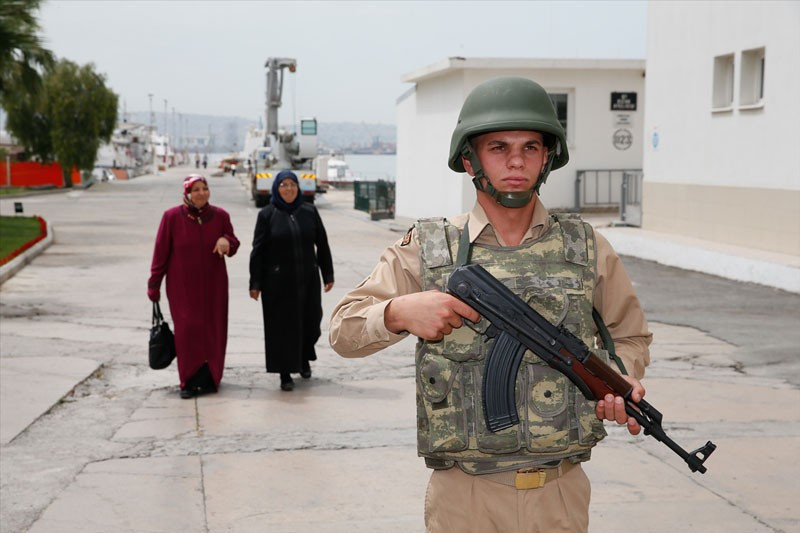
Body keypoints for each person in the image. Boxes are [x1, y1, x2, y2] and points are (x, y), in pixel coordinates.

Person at [329, 77, 652, 532]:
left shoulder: (586, 247)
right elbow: (343, 330)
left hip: (559, 495)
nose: (516, 161)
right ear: (470, 159)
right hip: (465, 497)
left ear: (546, 157)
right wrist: (398, 313)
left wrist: (618, 378)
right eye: (498, 147)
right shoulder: (429, 248)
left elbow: (629, 335)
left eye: (530, 147)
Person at [148, 174, 240, 399]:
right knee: (187, 331)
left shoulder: (220, 216)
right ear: (187, 193)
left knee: (214, 330)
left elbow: (234, 243)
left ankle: (211, 378)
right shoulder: (172, 217)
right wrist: (154, 284)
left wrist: (226, 241)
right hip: (183, 288)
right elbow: (160, 253)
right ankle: (188, 381)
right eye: (195, 189)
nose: (201, 193)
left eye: (204, 188)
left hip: (215, 286)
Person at [249, 170, 334, 391]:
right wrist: (255, 283)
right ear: (276, 188)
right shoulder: (267, 215)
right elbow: (258, 250)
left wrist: (327, 274)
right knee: (282, 328)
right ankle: (285, 373)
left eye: (292, 184)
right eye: (283, 185)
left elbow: (322, 243)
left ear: (298, 187)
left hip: (308, 279)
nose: (288, 189)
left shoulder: (309, 211)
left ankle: (304, 358)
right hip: (278, 283)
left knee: (311, 322)